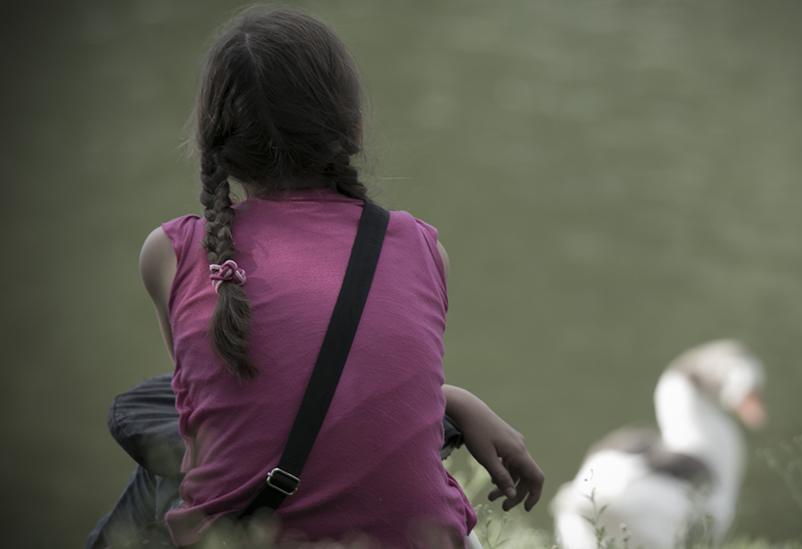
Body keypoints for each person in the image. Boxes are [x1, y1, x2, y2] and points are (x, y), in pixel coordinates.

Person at [88, 6, 543, 548]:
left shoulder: (171, 253)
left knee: (148, 422)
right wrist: (456, 401)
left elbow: (214, 423)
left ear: (213, 139)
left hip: (247, 534)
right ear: (352, 128)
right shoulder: (421, 247)